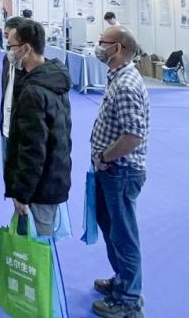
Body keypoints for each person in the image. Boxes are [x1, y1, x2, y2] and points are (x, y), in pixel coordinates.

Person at [90, 25, 149, 318]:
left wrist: (104, 156)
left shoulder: (126, 85)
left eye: (103, 42)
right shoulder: (116, 77)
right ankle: (122, 281)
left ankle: (128, 298)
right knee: (113, 230)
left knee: (124, 236)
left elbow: (133, 136)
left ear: (118, 48)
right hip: (111, 170)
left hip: (121, 171)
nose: (98, 46)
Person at [3, 20, 72, 237]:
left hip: (40, 186)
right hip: (53, 175)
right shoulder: (52, 77)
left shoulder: (34, 91)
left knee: (38, 246)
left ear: (26, 48)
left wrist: (22, 194)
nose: (10, 52)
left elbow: (33, 149)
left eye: (12, 46)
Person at [0, 17, 27, 162]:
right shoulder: (7, 60)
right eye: (6, 37)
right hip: (6, 127)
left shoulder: (33, 71)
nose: (7, 44)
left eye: (10, 41)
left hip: (23, 135)